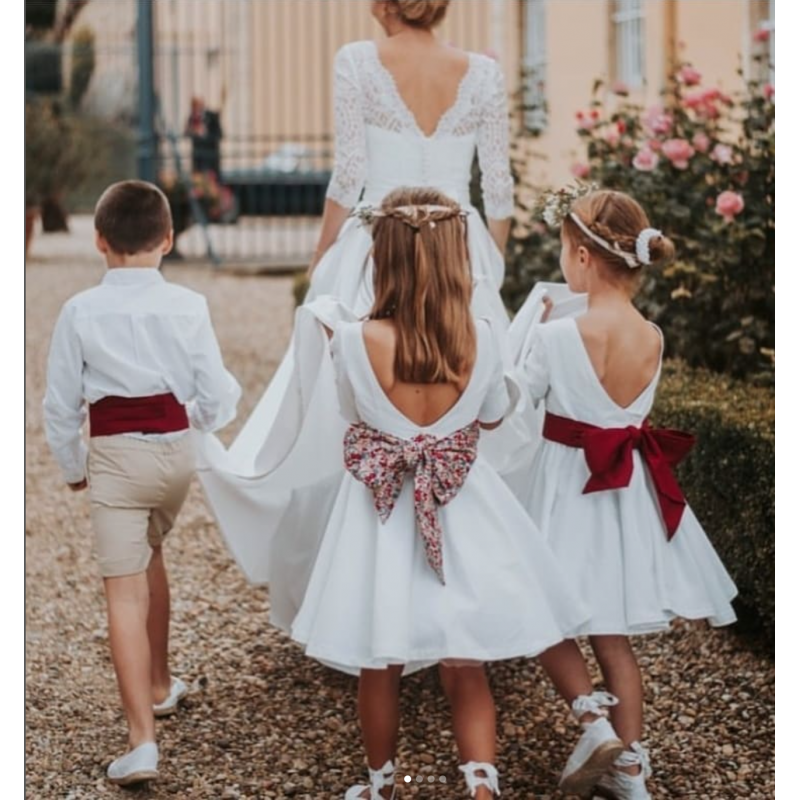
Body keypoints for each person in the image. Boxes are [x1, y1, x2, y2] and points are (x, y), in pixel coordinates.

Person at [195, 0, 516, 615]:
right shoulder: (482, 71)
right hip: (460, 250)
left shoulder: (357, 62)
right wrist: (488, 268)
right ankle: (464, 590)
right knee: (461, 405)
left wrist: (323, 257)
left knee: (351, 410)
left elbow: (349, 175)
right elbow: (496, 187)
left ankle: (359, 584)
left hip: (377, 246)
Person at [290, 187, 588, 800]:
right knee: (466, 657)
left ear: (382, 256)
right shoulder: (480, 337)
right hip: (465, 508)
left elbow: (352, 412)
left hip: (378, 514)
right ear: (459, 259)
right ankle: (481, 787)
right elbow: (495, 414)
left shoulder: (352, 340)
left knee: (381, 661)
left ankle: (384, 785)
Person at [513, 189, 738, 799]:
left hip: (566, 487)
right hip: (624, 498)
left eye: (562, 248)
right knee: (612, 636)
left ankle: (593, 724)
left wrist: (522, 342)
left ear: (583, 256)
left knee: (537, 610)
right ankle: (631, 770)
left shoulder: (559, 335)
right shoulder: (653, 336)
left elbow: (512, 402)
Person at [42, 180, 241, 786]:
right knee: (152, 551)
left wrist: (75, 469)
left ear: (99, 241)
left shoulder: (79, 310)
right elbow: (217, 392)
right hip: (175, 458)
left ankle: (141, 742)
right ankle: (158, 683)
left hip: (118, 459)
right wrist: (197, 427)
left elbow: (58, 407)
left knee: (123, 594)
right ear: (169, 239)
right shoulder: (187, 306)